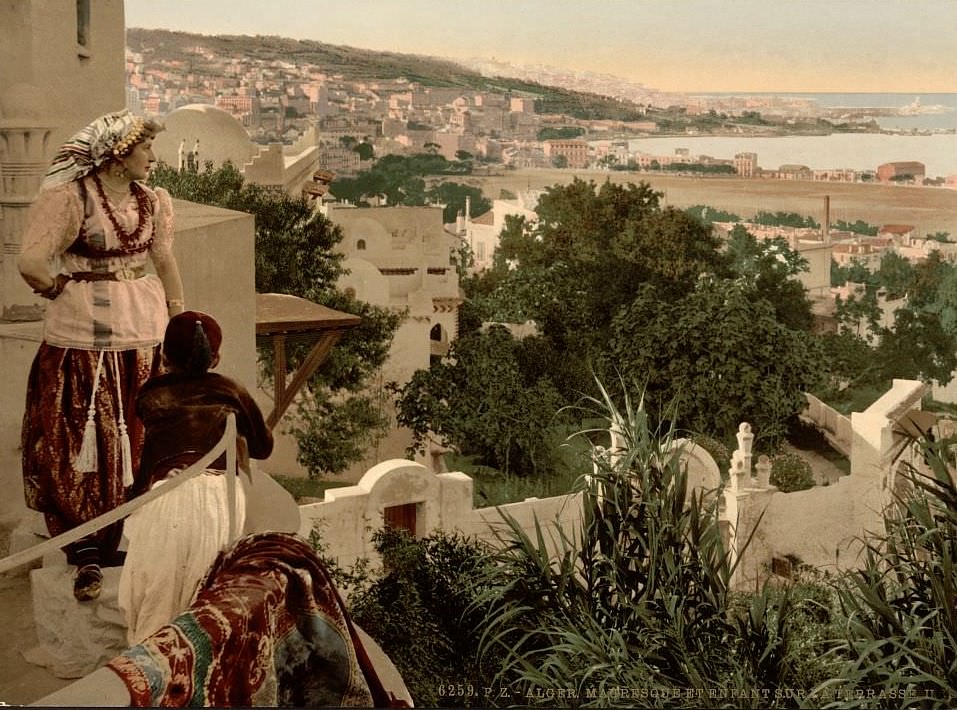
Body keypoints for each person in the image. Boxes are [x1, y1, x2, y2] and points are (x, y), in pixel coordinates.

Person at [17, 109, 185, 601]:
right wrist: (56, 287)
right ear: (117, 154)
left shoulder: (152, 202)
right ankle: (86, 545)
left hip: (143, 333)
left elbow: (165, 260)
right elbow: (31, 260)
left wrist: (179, 317)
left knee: (137, 431)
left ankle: (133, 530)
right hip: (82, 338)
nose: (153, 157)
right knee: (82, 434)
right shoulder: (71, 200)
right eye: (145, 148)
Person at [118, 310, 274, 645]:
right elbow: (264, 448)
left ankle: (148, 680)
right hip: (219, 500)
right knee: (203, 602)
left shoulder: (149, 395)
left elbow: (145, 455)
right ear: (215, 358)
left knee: (155, 604)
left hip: (165, 497)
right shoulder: (232, 391)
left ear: (164, 354)